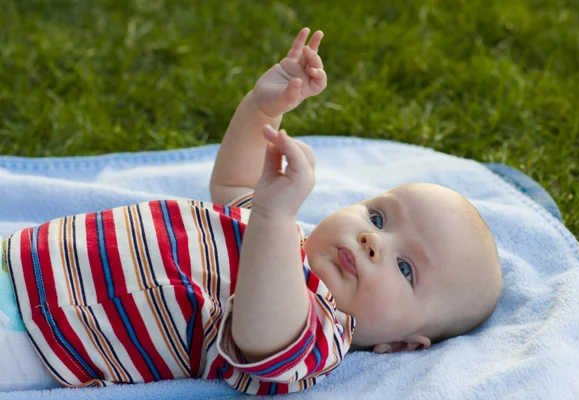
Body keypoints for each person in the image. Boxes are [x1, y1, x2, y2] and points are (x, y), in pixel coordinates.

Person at [0, 27, 502, 394]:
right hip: (25, 256)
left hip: (43, 333)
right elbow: (234, 182)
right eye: (378, 217)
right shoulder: (293, 237)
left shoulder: (320, 332)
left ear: (404, 345)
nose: (374, 242)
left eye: (406, 267)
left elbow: (259, 335)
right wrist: (263, 109)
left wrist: (275, 219)